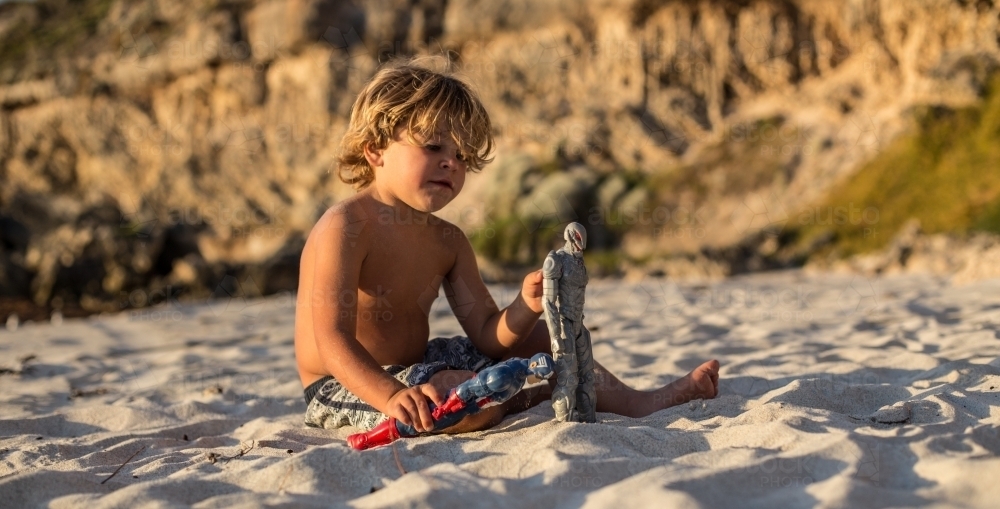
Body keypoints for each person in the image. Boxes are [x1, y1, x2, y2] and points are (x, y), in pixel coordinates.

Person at [294, 60, 720, 435]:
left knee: (534, 338)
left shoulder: (449, 241)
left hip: (422, 362)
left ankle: (635, 402)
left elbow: (486, 334)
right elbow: (330, 338)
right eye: (433, 147)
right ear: (375, 150)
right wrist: (389, 396)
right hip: (345, 381)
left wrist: (523, 305)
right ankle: (522, 399)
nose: (451, 163)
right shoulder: (346, 226)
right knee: (453, 404)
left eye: (461, 155)